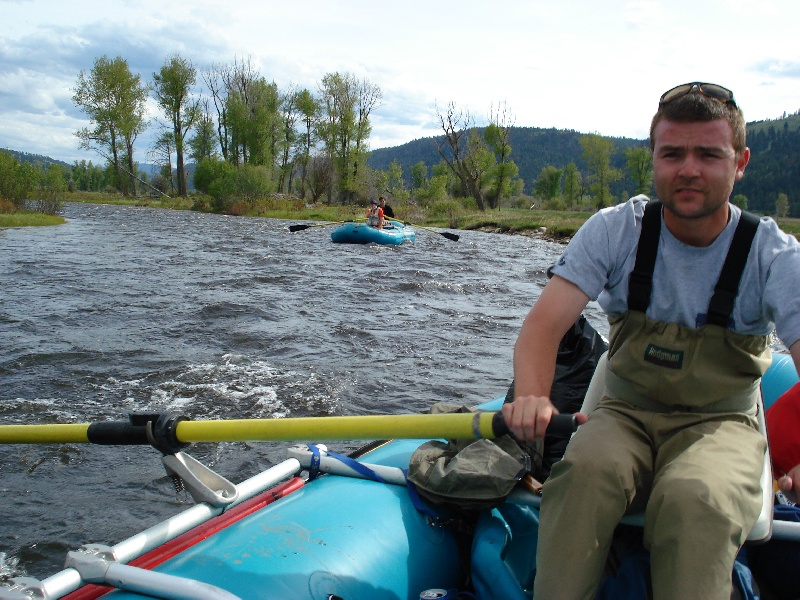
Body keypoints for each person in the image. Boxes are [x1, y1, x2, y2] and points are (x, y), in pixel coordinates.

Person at [501, 82, 800, 600]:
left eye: (709, 154)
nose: (689, 168)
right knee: (581, 477)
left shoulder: (773, 255)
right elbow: (542, 328)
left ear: (741, 161)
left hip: (721, 421)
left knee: (694, 498)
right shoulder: (616, 230)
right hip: (624, 409)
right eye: (673, 153)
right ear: (654, 158)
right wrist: (531, 395)